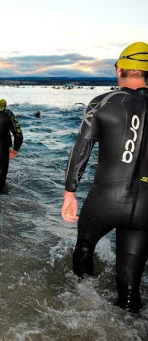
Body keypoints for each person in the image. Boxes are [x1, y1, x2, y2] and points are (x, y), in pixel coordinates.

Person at [61, 42, 148, 313]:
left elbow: (81, 151)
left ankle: (81, 307)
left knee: (85, 246)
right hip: (145, 206)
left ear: (119, 69)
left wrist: (69, 194)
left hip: (105, 199)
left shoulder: (101, 103)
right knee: (131, 284)